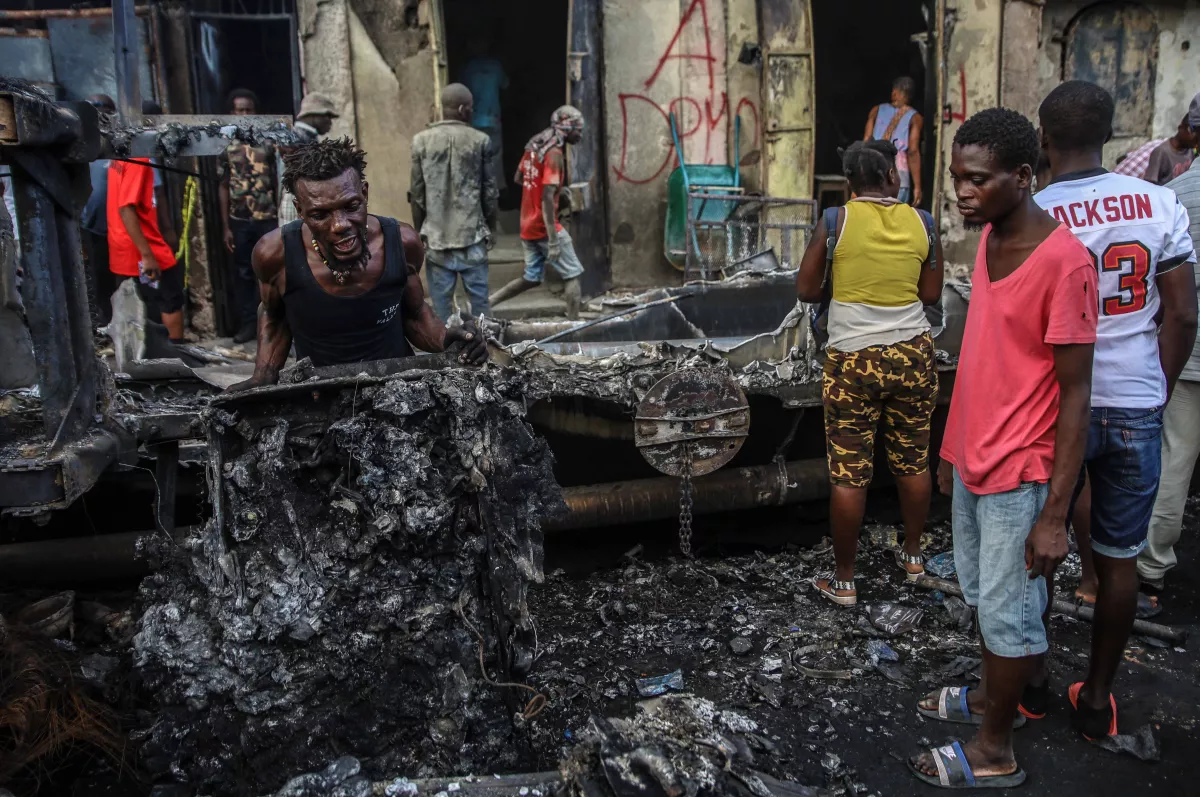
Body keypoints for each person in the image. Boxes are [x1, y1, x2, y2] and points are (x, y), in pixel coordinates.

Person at [910, 107, 1096, 788]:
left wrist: (1055, 514)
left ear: (1023, 176)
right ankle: (993, 699)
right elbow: (987, 355)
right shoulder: (989, 239)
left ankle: (995, 749)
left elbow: (1077, 394)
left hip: (1022, 470)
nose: (961, 191)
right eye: (957, 177)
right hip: (974, 455)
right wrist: (950, 447)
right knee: (987, 598)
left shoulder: (1065, 262)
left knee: (1009, 613)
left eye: (977, 180)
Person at [1035, 80, 1197, 741]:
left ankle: (1034, 679)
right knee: (1120, 559)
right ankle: (1098, 696)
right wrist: (1152, 387)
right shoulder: (1161, 204)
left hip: (1054, 405)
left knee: (1038, 546)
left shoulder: (1036, 210)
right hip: (1135, 400)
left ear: (1043, 138)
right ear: (1110, 135)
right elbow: (1183, 311)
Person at [795, 140, 943, 606]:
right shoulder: (923, 222)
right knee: (914, 461)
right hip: (913, 355)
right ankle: (914, 556)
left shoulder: (836, 220)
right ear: (894, 181)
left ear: (847, 185)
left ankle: (844, 582)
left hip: (852, 360)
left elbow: (805, 287)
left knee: (849, 474)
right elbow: (932, 293)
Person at [227, 138, 487, 391]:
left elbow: (415, 313)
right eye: (320, 214)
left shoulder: (402, 242)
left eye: (351, 206)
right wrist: (264, 376)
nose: (340, 225)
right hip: (318, 393)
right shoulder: (274, 254)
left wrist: (446, 339)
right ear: (300, 210)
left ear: (364, 193)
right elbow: (274, 316)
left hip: (397, 390)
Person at [1139, 93, 1200, 602]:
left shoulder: (1173, 196)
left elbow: (1176, 308)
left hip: (1187, 356)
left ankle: (1152, 566)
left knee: (1175, 457)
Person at [409, 84, 498, 321]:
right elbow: (489, 192)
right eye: (470, 108)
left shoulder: (421, 141)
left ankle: (445, 354)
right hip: (473, 237)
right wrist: (492, 226)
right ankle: (486, 351)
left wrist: (420, 231)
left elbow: (417, 194)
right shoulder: (480, 140)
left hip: (437, 240)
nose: (472, 112)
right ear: (462, 109)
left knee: (441, 311)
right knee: (481, 308)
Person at [489, 106, 586, 319]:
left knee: (532, 277)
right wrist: (552, 240)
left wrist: (546, 189)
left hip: (527, 224)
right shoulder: (554, 154)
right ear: (567, 128)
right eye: (578, 130)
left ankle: (486, 305)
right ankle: (573, 325)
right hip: (545, 227)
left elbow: (518, 178)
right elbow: (546, 198)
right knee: (573, 275)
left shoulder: (535, 145)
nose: (580, 134)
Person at [219, 88, 279, 344]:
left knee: (272, 272)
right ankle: (248, 325)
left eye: (248, 110)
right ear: (232, 112)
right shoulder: (226, 145)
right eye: (239, 110)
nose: (244, 114)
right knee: (244, 273)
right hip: (240, 220)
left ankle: (276, 323)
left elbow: (278, 180)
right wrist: (226, 227)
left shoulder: (269, 141)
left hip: (267, 218)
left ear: (256, 112)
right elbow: (222, 185)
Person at [107, 157, 186, 342]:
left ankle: (149, 355)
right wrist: (147, 255)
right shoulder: (138, 159)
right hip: (143, 247)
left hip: (123, 245)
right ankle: (175, 355)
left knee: (140, 307)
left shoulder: (119, 156)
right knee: (170, 301)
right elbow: (126, 208)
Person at [81, 94, 117, 325]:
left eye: (100, 106)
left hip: (121, 229)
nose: (96, 111)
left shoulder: (120, 144)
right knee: (97, 279)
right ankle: (103, 325)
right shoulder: (83, 146)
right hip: (92, 228)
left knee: (123, 282)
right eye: (91, 107)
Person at [279, 92, 339, 227]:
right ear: (314, 115)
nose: (330, 122)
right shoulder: (295, 138)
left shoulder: (308, 137)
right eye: (327, 116)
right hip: (296, 198)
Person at [459, 36, 509, 193]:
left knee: (475, 157)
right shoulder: (495, 65)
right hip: (493, 119)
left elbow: (461, 90)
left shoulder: (468, 68)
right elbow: (506, 84)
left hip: (473, 120)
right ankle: (497, 191)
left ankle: (477, 191)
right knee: (494, 157)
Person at [864, 77, 924, 206]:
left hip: (874, 174)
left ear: (894, 92)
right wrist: (917, 187)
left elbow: (866, 142)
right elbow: (913, 152)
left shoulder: (875, 111)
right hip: (898, 178)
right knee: (895, 221)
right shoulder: (915, 118)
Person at [1143, 113, 1197, 186]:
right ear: (1184, 128)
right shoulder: (1161, 152)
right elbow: (1149, 185)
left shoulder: (1190, 152)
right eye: (1195, 134)